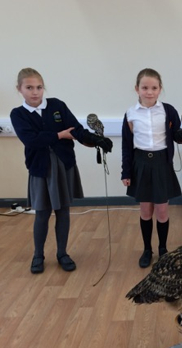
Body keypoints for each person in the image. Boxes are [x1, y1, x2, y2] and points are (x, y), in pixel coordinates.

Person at [10, 68, 113, 274]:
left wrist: (94, 140)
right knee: (42, 212)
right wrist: (58, 135)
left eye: (39, 87)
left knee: (63, 210)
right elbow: (31, 140)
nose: (35, 92)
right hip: (41, 169)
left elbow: (75, 129)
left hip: (64, 164)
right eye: (29, 87)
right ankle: (38, 255)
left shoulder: (57, 106)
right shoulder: (18, 114)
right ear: (19, 89)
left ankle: (62, 253)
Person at [121, 68, 182, 268]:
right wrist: (126, 172)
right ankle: (147, 249)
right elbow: (126, 146)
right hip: (140, 163)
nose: (149, 92)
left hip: (161, 163)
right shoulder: (130, 114)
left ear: (160, 89)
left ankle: (163, 249)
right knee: (146, 210)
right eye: (145, 87)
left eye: (154, 88)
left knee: (162, 211)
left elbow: (176, 135)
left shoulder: (168, 110)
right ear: (136, 89)